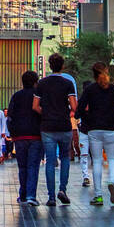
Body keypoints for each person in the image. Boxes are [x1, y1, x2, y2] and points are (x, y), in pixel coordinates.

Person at [76, 62, 114, 206]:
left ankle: (98, 195)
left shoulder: (90, 90)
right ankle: (111, 181)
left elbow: (79, 110)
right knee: (112, 159)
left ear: (93, 74)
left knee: (97, 161)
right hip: (111, 129)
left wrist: (89, 119)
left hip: (94, 130)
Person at [33, 53, 78, 205]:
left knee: (50, 161)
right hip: (64, 125)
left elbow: (35, 106)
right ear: (62, 66)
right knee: (65, 157)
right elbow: (74, 106)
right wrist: (69, 113)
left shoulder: (42, 84)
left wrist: (45, 113)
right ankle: (62, 190)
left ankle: (51, 197)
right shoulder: (68, 83)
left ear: (50, 66)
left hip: (47, 127)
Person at [6, 70, 43, 205]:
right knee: (33, 166)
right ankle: (31, 196)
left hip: (19, 137)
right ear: (35, 82)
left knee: (22, 166)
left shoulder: (16, 96)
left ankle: (22, 195)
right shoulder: (38, 96)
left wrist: (13, 133)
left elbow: (10, 116)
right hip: (35, 136)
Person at [77, 79, 92, 187]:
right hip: (96, 131)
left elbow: (76, 115)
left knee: (84, 155)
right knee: (96, 156)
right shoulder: (97, 100)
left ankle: (86, 176)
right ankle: (96, 177)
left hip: (84, 131)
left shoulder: (81, 101)